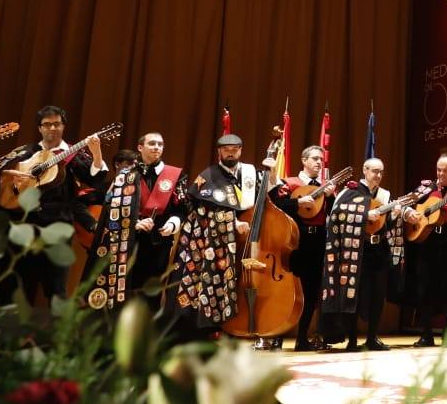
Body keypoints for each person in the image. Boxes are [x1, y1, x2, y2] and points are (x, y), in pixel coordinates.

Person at [0, 106, 108, 302]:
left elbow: (95, 180)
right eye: (47, 124)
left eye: (57, 124)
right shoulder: (25, 151)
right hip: (22, 224)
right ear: (40, 128)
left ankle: (56, 331)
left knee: (55, 286)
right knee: (16, 283)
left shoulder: (71, 153)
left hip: (57, 224)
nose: (52, 128)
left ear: (63, 127)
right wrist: (5, 172)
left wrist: (96, 153)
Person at [169, 133, 271, 340]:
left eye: (235, 148)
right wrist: (232, 222)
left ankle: (242, 325)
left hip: (248, 239)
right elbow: (199, 206)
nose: (230, 152)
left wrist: (273, 171)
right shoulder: (208, 175)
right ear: (219, 152)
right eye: (226, 149)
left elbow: (269, 196)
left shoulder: (251, 174)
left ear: (241, 150)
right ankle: (209, 327)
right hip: (214, 241)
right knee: (211, 280)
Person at [86, 132, 187, 312]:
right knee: (126, 290)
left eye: (160, 144)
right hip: (127, 241)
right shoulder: (126, 175)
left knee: (152, 292)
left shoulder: (175, 175)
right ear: (140, 148)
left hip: (159, 242)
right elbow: (111, 208)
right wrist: (133, 223)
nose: (157, 147)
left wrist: (172, 224)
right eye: (152, 143)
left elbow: (182, 210)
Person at [319, 157, 408, 352]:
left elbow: (383, 225)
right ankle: (352, 340)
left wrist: (394, 215)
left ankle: (372, 337)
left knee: (378, 295)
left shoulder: (383, 196)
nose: (378, 175)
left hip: (378, 251)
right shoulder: (350, 191)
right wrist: (363, 215)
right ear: (365, 170)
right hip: (357, 252)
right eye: (374, 171)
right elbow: (336, 215)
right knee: (355, 295)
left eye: (381, 172)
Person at [402, 155, 447, 346]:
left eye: (445, 170)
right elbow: (406, 203)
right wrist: (410, 213)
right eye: (438, 170)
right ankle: (426, 334)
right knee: (424, 288)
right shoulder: (427, 188)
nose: (440, 174)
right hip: (427, 244)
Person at [270, 146, 335, 351]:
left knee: (311, 290)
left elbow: (332, 215)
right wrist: (297, 202)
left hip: (317, 243)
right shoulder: (290, 183)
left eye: (321, 159)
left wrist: (332, 197)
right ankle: (277, 337)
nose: (319, 162)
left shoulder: (325, 187)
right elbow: (275, 205)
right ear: (304, 160)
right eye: (315, 159)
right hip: (294, 242)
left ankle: (302, 338)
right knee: (287, 290)